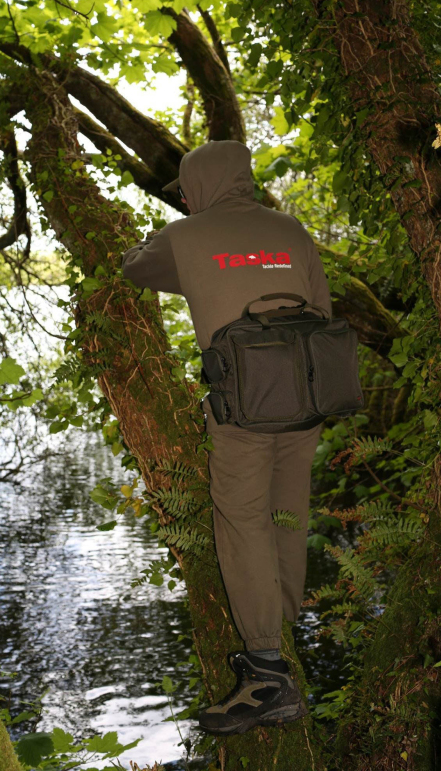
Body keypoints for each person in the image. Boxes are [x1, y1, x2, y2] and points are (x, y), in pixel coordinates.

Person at [121, 140, 332, 736]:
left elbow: (133, 268)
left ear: (197, 186)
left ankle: (266, 673)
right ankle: (284, 623)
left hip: (243, 408)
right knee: (287, 513)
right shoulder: (291, 230)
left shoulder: (184, 236)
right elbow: (322, 310)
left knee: (242, 521)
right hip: (309, 398)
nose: (185, 201)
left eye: (186, 191)